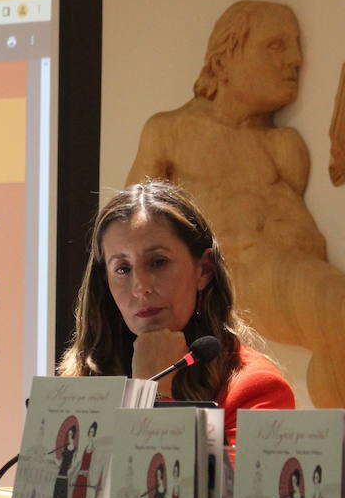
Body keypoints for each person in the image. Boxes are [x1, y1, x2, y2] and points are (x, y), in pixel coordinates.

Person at [125, 1, 345, 409]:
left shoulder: (285, 148)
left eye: (295, 48)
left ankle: (333, 461)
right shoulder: (171, 132)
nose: (295, 61)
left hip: (272, 278)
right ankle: (338, 463)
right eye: (276, 46)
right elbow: (127, 229)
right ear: (226, 55)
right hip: (222, 280)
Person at [59, 179, 295, 455]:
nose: (141, 287)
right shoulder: (83, 381)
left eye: (158, 262)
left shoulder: (257, 389)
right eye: (123, 269)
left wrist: (154, 388)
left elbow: (163, 493)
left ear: (204, 270)